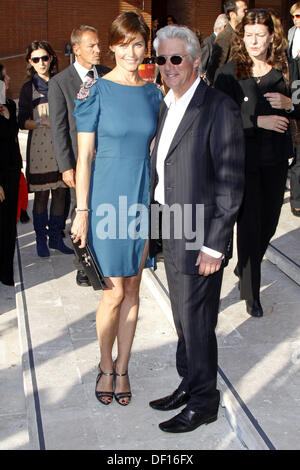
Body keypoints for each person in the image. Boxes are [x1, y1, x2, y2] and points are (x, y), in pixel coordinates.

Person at [149, 25, 244, 433]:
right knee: (183, 316)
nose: (168, 66)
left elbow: (230, 181)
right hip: (170, 223)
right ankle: (189, 382)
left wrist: (215, 246)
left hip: (200, 231)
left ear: (194, 60)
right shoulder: (167, 104)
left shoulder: (218, 106)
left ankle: (204, 401)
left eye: (176, 58)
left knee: (199, 320)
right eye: (162, 59)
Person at [70, 11, 162, 406]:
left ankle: (123, 368)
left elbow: (156, 150)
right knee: (112, 293)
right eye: (123, 44)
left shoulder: (153, 93)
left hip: (140, 198)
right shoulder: (96, 92)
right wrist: (82, 210)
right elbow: (85, 156)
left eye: (138, 44)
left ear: (146, 48)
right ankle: (105, 364)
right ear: (111, 46)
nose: (131, 52)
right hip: (106, 198)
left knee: (134, 289)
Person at [214, 9, 299, 317]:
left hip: (275, 161)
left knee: (269, 224)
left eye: (260, 35)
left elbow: (297, 109)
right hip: (242, 162)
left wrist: (291, 104)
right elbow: (218, 117)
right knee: (249, 226)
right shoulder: (229, 73)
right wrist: (256, 120)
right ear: (242, 37)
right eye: (248, 35)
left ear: (271, 38)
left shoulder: (284, 71)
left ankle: (244, 267)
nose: (253, 41)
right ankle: (251, 293)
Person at [48, 26, 110, 286]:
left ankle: (105, 257)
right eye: (91, 46)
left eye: (98, 45)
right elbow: (59, 127)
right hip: (78, 160)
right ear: (76, 49)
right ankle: (83, 264)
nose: (98, 50)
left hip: (107, 158)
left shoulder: (108, 75)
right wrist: (66, 166)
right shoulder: (60, 83)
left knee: (104, 209)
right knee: (81, 209)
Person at [18, 41, 73, 258]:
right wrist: (41, 122)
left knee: (60, 192)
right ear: (30, 62)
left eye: (45, 58)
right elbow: (21, 121)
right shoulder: (27, 88)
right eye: (36, 59)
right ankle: (41, 239)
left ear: (51, 58)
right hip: (39, 149)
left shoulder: (61, 82)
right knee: (41, 196)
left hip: (61, 145)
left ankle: (56, 239)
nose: (41, 63)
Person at [0, 65, 22, 286]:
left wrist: (8, 116)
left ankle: (6, 272)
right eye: (4, 76)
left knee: (9, 225)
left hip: (12, 173)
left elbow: (11, 134)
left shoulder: (10, 105)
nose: (8, 79)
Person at [206, 0, 248, 84]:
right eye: (244, 11)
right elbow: (214, 70)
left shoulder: (243, 34)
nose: (247, 13)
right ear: (232, 15)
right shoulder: (224, 37)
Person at [287, 2, 300, 217]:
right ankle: (296, 200)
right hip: (294, 94)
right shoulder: (291, 34)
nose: (297, 19)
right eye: (295, 16)